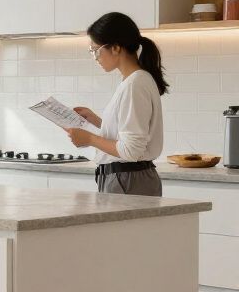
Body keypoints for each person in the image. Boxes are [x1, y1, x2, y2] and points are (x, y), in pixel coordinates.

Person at [64, 12, 168, 196]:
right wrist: (97, 121)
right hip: (127, 180)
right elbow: (129, 134)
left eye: (96, 50)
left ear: (116, 48)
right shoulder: (133, 81)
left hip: (127, 181)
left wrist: (89, 139)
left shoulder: (135, 84)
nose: (95, 57)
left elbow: (131, 150)